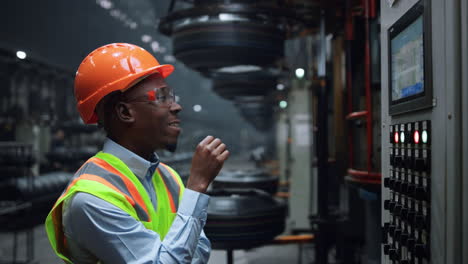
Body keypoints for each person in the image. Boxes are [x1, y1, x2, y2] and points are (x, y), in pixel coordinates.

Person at [45, 43, 230, 264]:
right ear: (125, 112)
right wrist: (197, 186)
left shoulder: (169, 177)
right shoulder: (91, 199)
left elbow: (198, 251)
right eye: (162, 97)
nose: (176, 107)